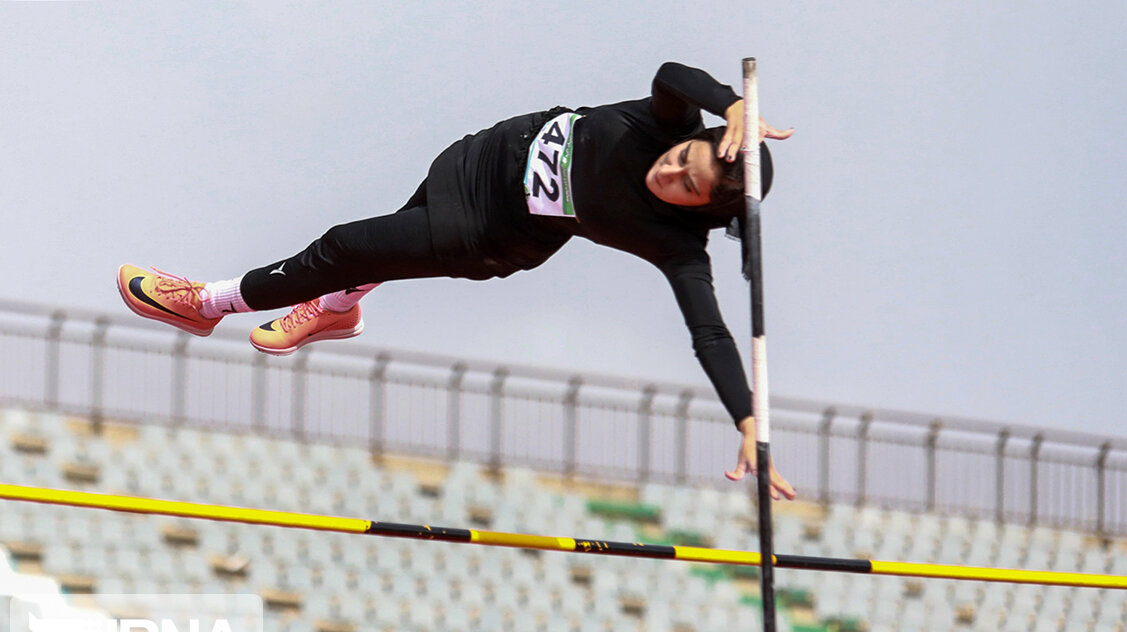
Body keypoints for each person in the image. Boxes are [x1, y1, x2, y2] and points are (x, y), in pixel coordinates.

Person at [118, 61, 796, 499]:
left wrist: (747, 419)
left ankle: (207, 304)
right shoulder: (661, 121)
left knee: (347, 245)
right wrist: (732, 104)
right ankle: (337, 311)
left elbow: (709, 330)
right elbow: (674, 72)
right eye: (683, 159)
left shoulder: (674, 244)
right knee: (377, 247)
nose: (670, 173)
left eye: (687, 187)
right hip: (483, 154)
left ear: (704, 211)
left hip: (488, 232)